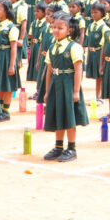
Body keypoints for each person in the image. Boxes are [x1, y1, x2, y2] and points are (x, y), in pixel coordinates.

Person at [41, 12, 87, 162]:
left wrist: (75, 91)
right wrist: (47, 91)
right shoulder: (53, 47)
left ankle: (71, 148)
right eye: (54, 27)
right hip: (56, 84)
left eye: (60, 28)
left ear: (69, 30)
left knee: (69, 117)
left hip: (68, 84)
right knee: (58, 115)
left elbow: (78, 69)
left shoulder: (74, 47)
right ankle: (58, 147)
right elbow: (49, 70)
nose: (56, 30)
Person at [0, 0, 20, 122]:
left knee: (7, 84)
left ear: (6, 11)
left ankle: (5, 111)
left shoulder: (11, 27)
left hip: (6, 56)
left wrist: (12, 65)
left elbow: (13, 47)